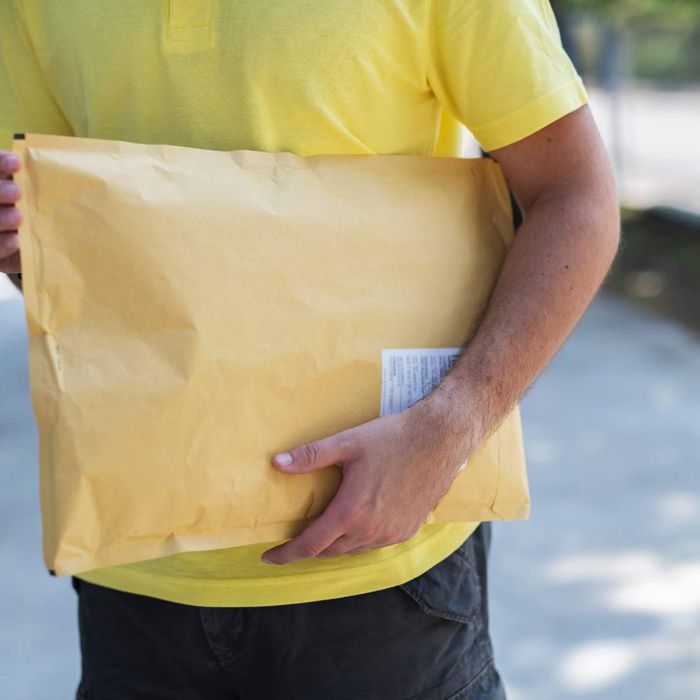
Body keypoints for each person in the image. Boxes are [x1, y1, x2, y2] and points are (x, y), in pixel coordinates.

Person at [0, 1, 620, 698]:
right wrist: (24, 248)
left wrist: (453, 427)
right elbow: (66, 253)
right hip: (133, 568)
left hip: (382, 574)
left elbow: (576, 197)